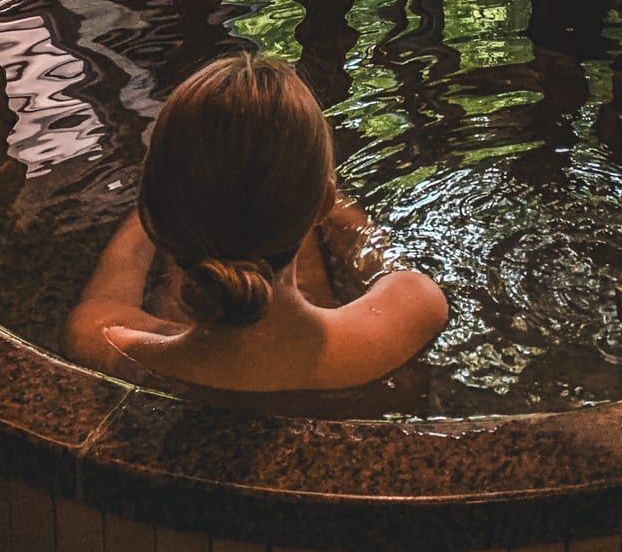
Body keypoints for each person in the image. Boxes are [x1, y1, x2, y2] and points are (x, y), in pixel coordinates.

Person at [64, 53, 448, 396]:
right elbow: (374, 251)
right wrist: (325, 201)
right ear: (322, 205)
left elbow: (111, 290)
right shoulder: (414, 309)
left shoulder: (105, 340)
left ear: (157, 213)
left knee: (170, 296)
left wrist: (165, 191)